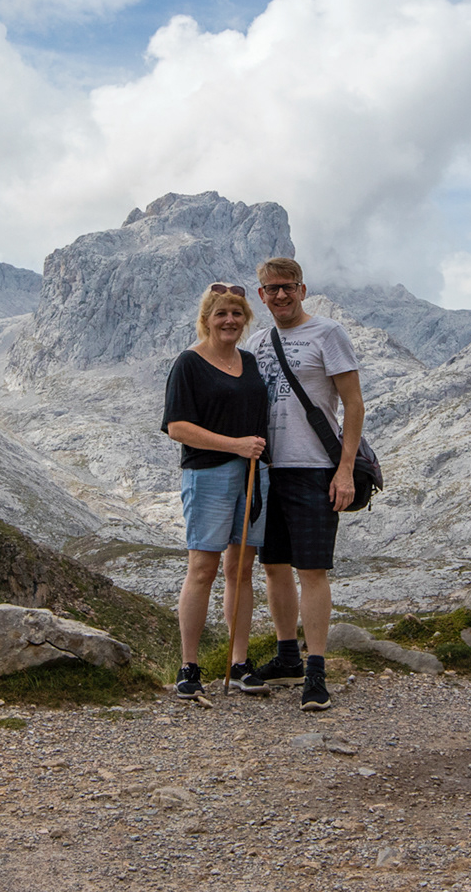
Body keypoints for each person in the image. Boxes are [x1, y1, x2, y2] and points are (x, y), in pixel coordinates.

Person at [237, 256, 363, 712]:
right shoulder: (256, 341)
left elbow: (353, 405)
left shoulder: (328, 334)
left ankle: (316, 669)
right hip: (270, 469)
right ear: (261, 295)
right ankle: (287, 656)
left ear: (303, 289)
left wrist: (344, 470)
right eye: (271, 289)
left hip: (315, 469)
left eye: (288, 287)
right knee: (273, 566)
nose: (281, 295)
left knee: (312, 570)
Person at [161, 283, 271, 699]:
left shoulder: (249, 361)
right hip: (208, 475)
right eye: (221, 313)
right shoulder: (189, 363)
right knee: (203, 568)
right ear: (206, 318)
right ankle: (189, 666)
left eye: (237, 314)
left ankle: (238, 663)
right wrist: (235, 445)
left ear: (246, 320)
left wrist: (253, 453)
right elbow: (178, 427)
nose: (230, 321)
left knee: (241, 569)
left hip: (253, 475)